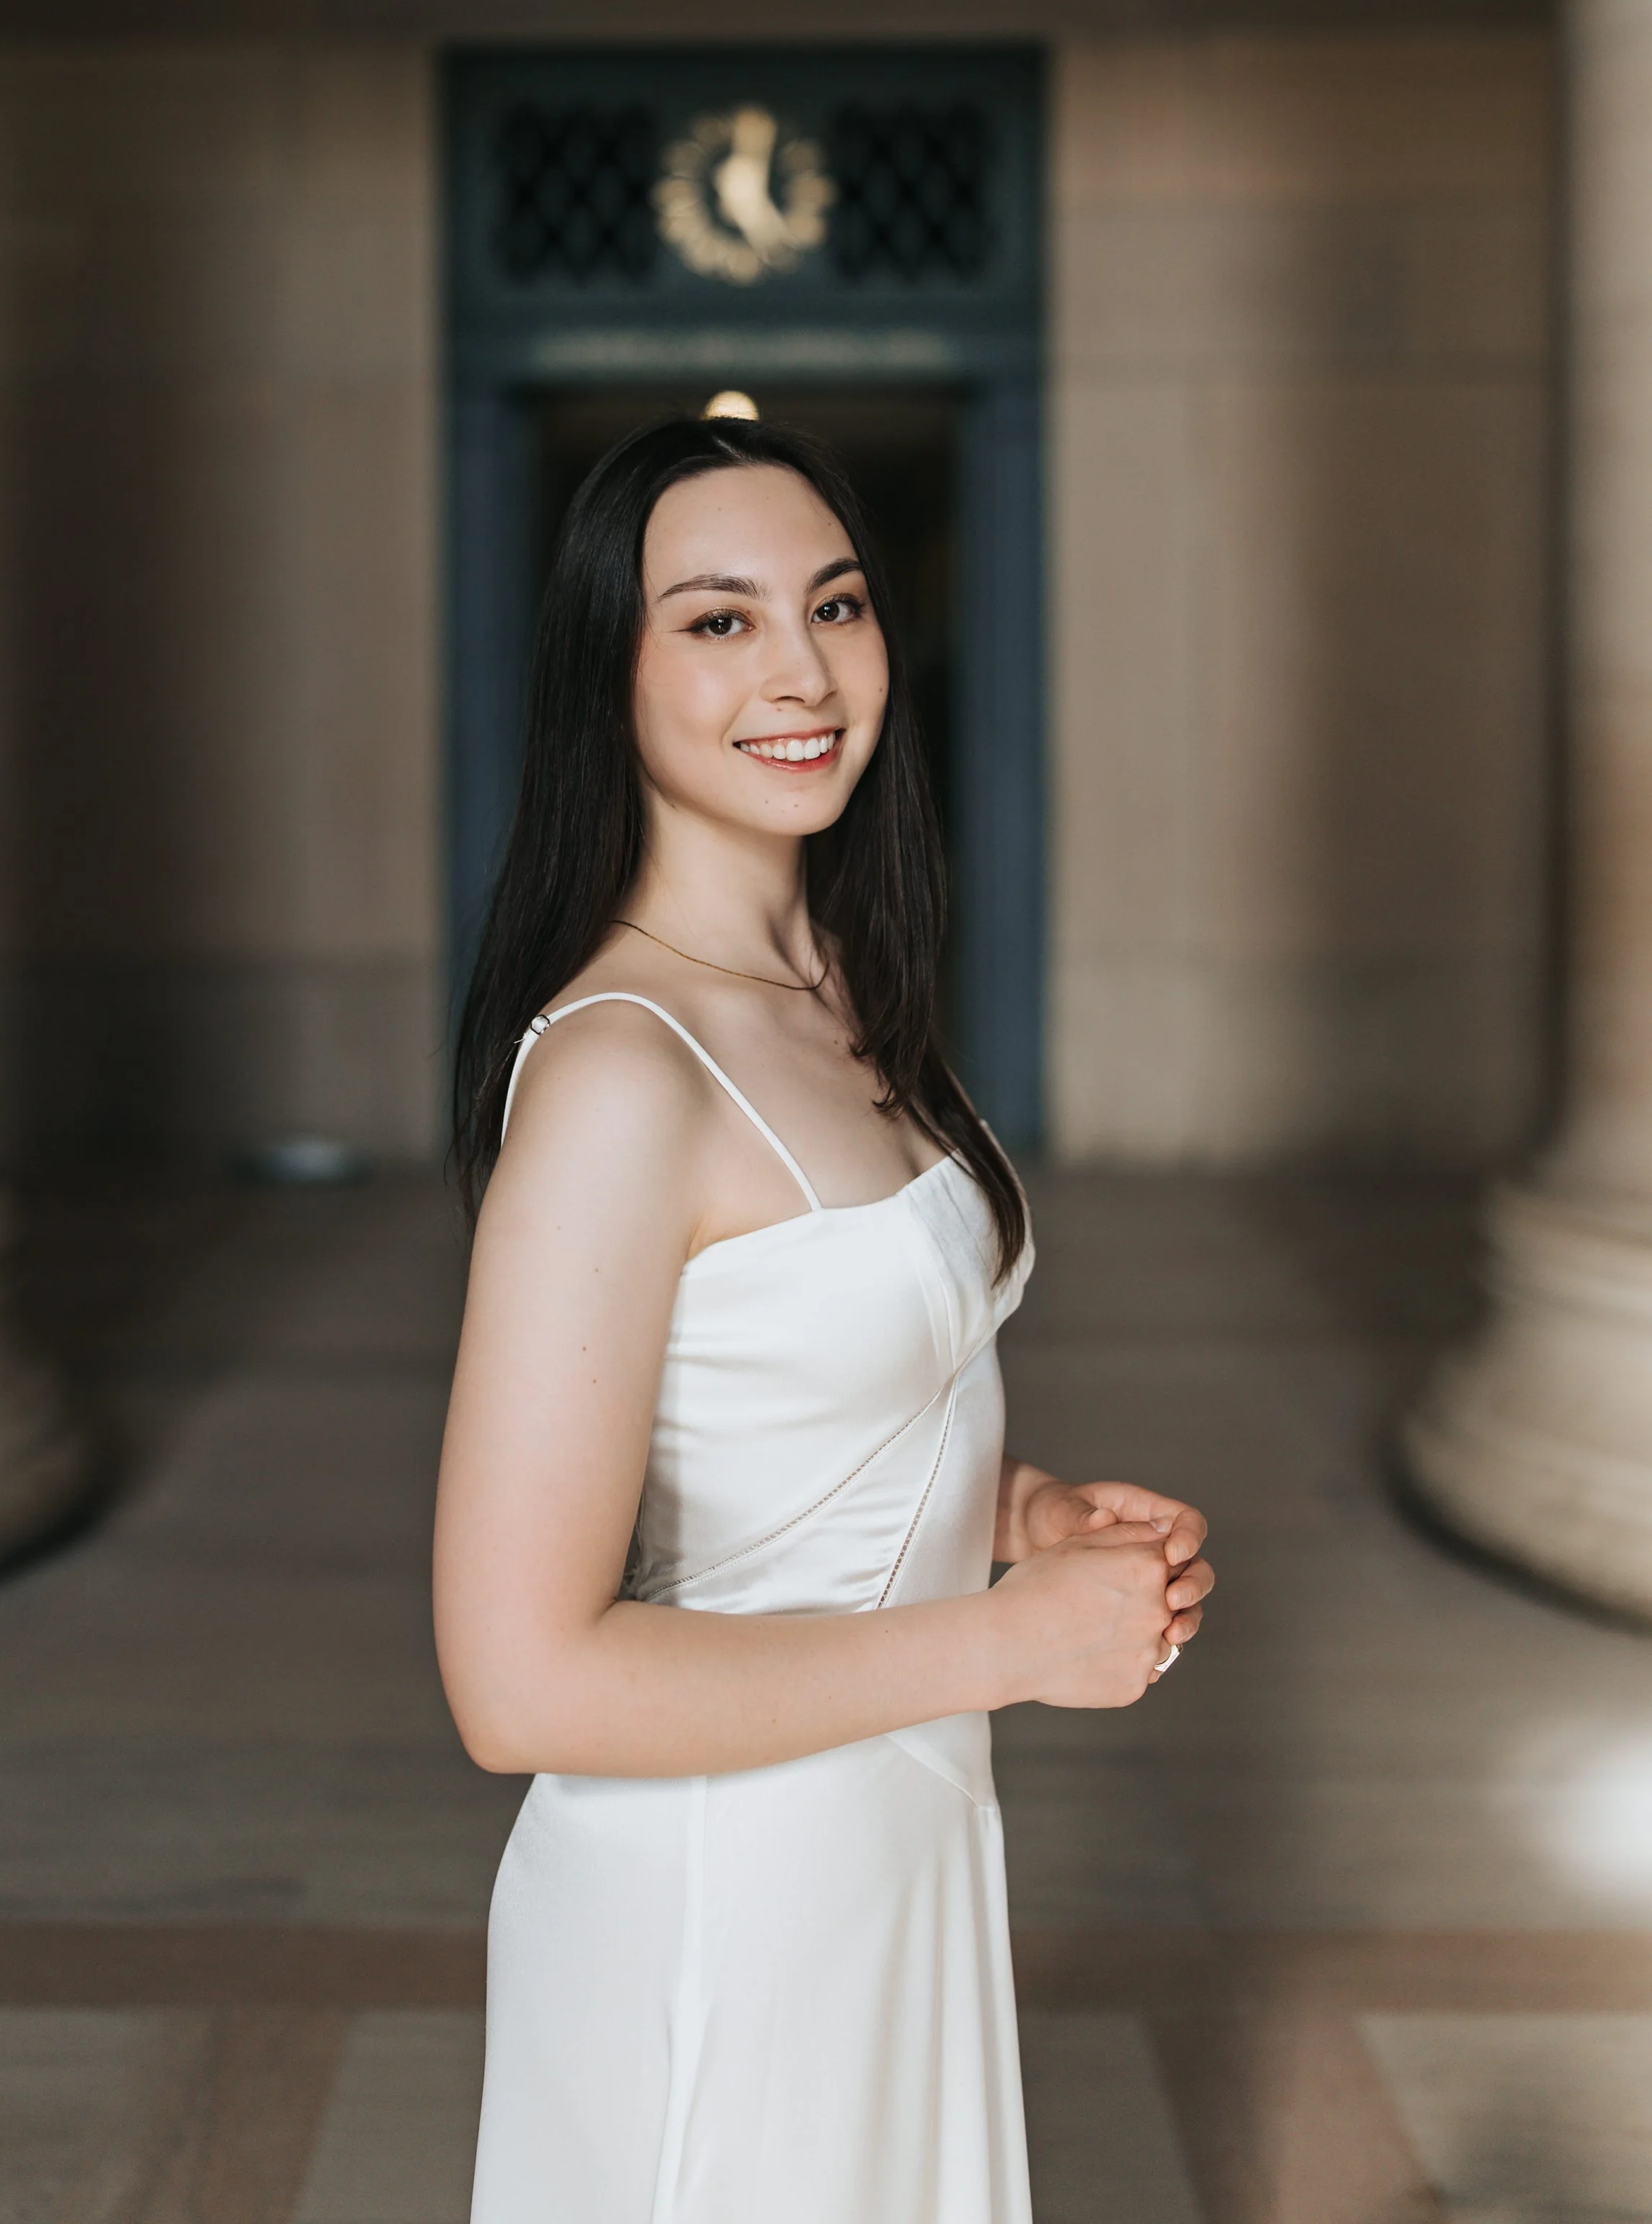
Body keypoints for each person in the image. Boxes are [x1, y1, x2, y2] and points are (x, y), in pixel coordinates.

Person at [433, 415, 1213, 2223]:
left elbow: (814, 1392)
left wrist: (1014, 1513)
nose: (800, 671)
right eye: (716, 622)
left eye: (836, 605)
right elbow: (515, 1678)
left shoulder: (836, 978)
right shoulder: (623, 1074)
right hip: (721, 1899)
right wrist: (1007, 1641)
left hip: (894, 1848)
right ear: (601, 674)